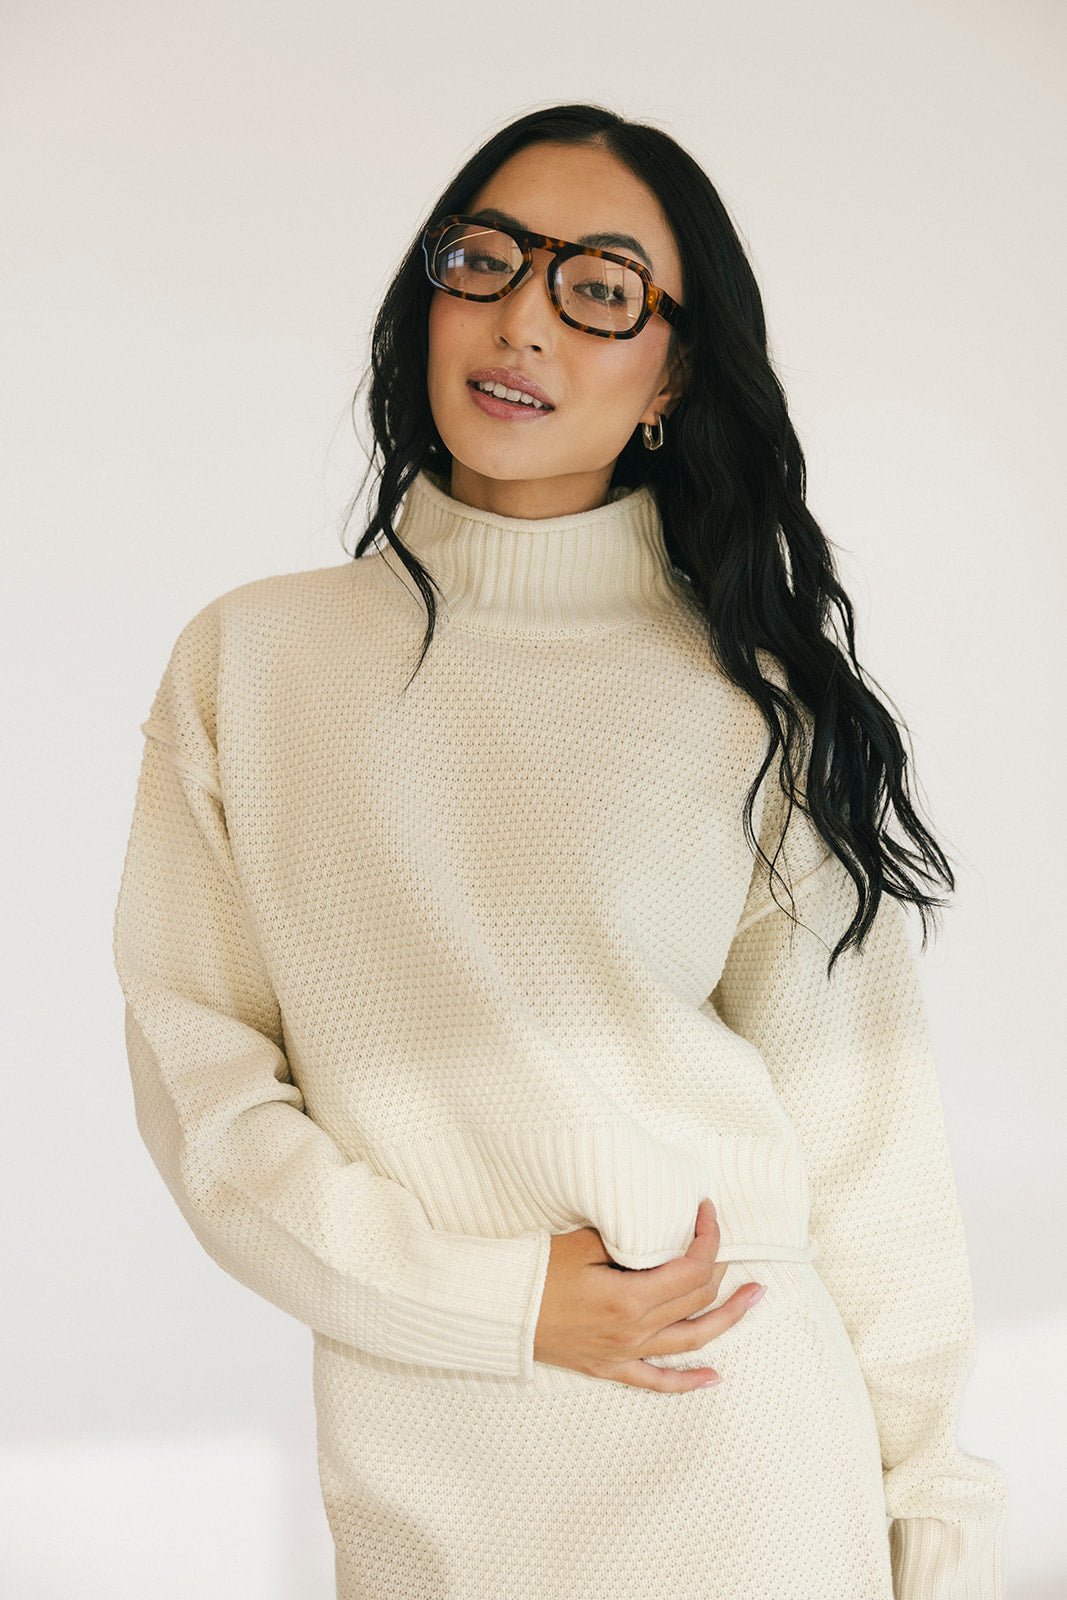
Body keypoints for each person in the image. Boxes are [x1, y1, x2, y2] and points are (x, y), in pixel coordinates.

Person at [113, 103, 1007, 1599]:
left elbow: (870, 1156)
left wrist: (940, 1542)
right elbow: (203, 1085)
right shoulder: (253, 666)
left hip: (747, 1465)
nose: (524, 318)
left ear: (675, 374)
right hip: (427, 1476)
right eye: (487, 260)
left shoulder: (752, 700)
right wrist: (493, 1302)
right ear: (428, 297)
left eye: (599, 289)